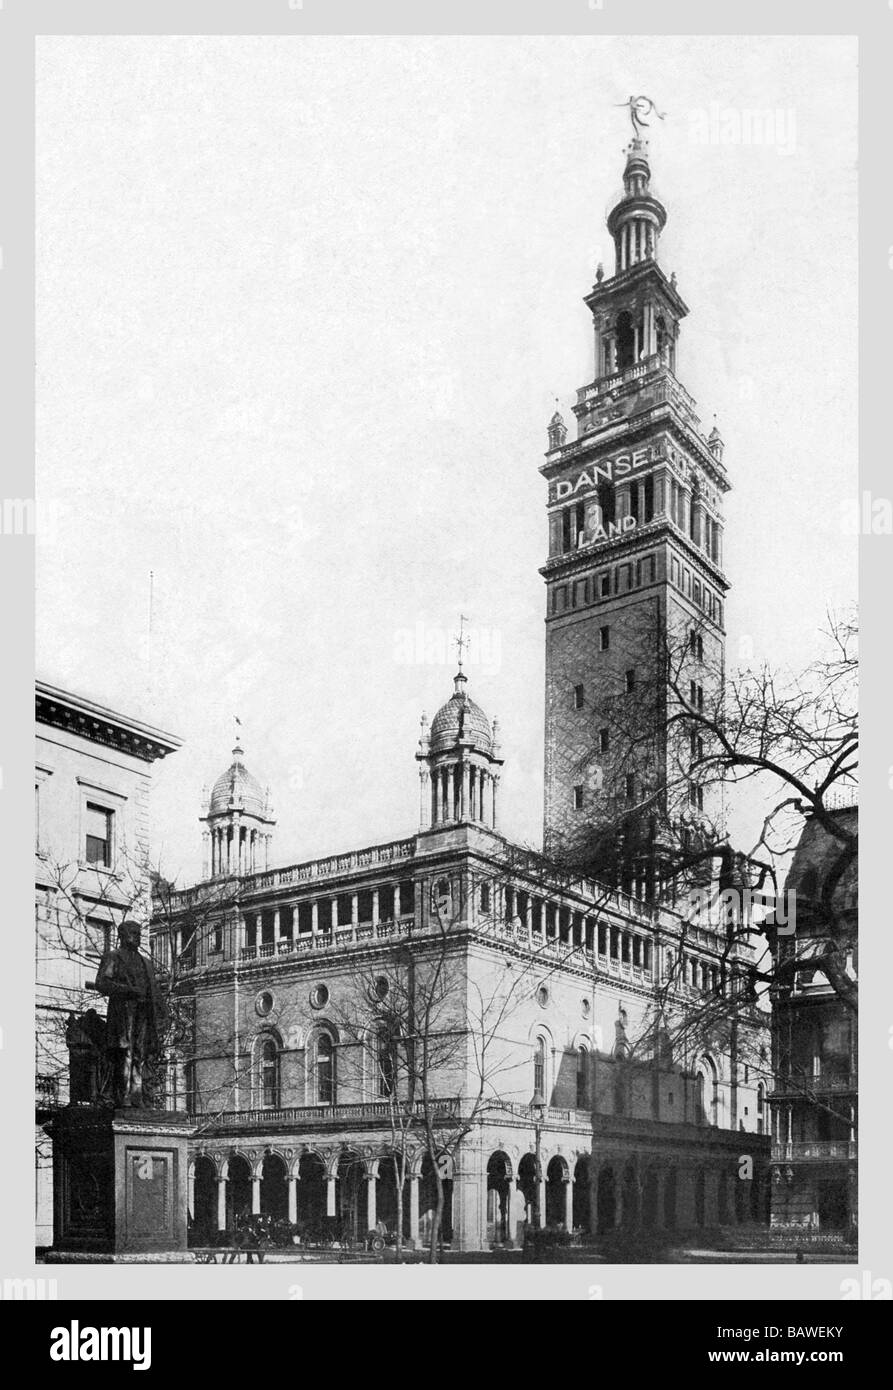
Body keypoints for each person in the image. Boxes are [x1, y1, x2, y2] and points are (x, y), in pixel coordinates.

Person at [95, 920, 161, 1108]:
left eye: (139, 933)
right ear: (122, 936)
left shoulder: (146, 963)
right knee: (125, 1052)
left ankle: (137, 1096)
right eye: (133, 933)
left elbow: (154, 991)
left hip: (144, 1013)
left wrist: (162, 1014)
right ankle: (122, 1095)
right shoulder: (113, 957)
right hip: (123, 1013)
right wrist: (127, 990)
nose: (137, 937)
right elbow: (102, 983)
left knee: (141, 1052)